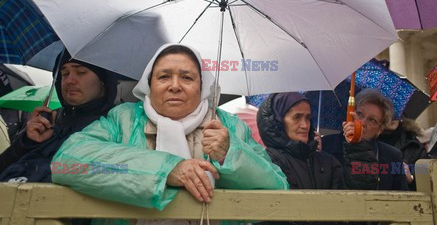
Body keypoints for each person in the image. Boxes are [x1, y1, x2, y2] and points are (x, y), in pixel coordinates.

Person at [51, 44, 288, 213]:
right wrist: (168, 169)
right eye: (164, 77)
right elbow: (68, 161)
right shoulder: (123, 119)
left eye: (187, 78)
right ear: (149, 85)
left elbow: (277, 185)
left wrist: (231, 154)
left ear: (202, 86)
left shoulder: (228, 126)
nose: (175, 86)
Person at [0, 51, 118, 182]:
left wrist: (49, 169)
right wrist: (26, 142)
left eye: (81, 72)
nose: (69, 81)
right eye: (65, 74)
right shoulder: (50, 119)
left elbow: (119, 171)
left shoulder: (117, 123)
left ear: (103, 81)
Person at [322, 89, 408, 191]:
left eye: (372, 120)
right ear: (350, 114)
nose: (362, 123)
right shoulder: (326, 146)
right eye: (360, 114)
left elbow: (401, 198)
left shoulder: (392, 156)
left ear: (379, 130)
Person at [257, 92, 344, 191]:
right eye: (297, 117)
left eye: (308, 118)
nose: (305, 125)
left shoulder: (329, 162)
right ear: (278, 122)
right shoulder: (268, 163)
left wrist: (355, 148)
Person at [378, 117, 428, 190]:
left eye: (397, 110)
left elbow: (427, 185)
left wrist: (411, 178)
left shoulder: (414, 146)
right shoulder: (365, 142)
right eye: (388, 111)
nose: (393, 117)